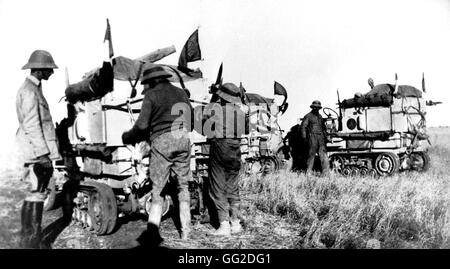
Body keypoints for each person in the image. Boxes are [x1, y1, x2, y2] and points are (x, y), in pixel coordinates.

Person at [121, 65, 193, 246]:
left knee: (158, 188)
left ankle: (153, 233)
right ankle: (186, 233)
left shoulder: (151, 95)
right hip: (183, 138)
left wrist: (127, 136)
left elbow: (142, 126)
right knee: (182, 186)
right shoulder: (181, 93)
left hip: (162, 142)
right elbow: (191, 120)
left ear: (152, 81)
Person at [15, 50, 61, 248]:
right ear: (40, 70)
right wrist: (43, 155)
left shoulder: (32, 89)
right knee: (36, 195)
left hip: (33, 151)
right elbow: (33, 125)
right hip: (36, 153)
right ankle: (34, 242)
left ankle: (31, 239)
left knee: (34, 194)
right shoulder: (30, 91)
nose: (52, 73)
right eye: (49, 69)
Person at [203, 82, 248, 236]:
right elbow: (246, 130)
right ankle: (235, 223)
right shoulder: (241, 113)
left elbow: (203, 125)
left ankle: (223, 225)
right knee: (233, 188)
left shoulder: (215, 110)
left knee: (217, 187)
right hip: (236, 149)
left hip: (220, 147)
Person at [300, 100, 330, 175]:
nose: (316, 109)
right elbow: (303, 127)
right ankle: (309, 172)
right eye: (315, 107)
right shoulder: (308, 116)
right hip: (312, 137)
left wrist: (325, 136)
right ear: (312, 107)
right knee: (311, 155)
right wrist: (304, 138)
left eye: (318, 108)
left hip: (321, 138)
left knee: (323, 155)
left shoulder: (320, 117)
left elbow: (323, 128)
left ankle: (325, 173)